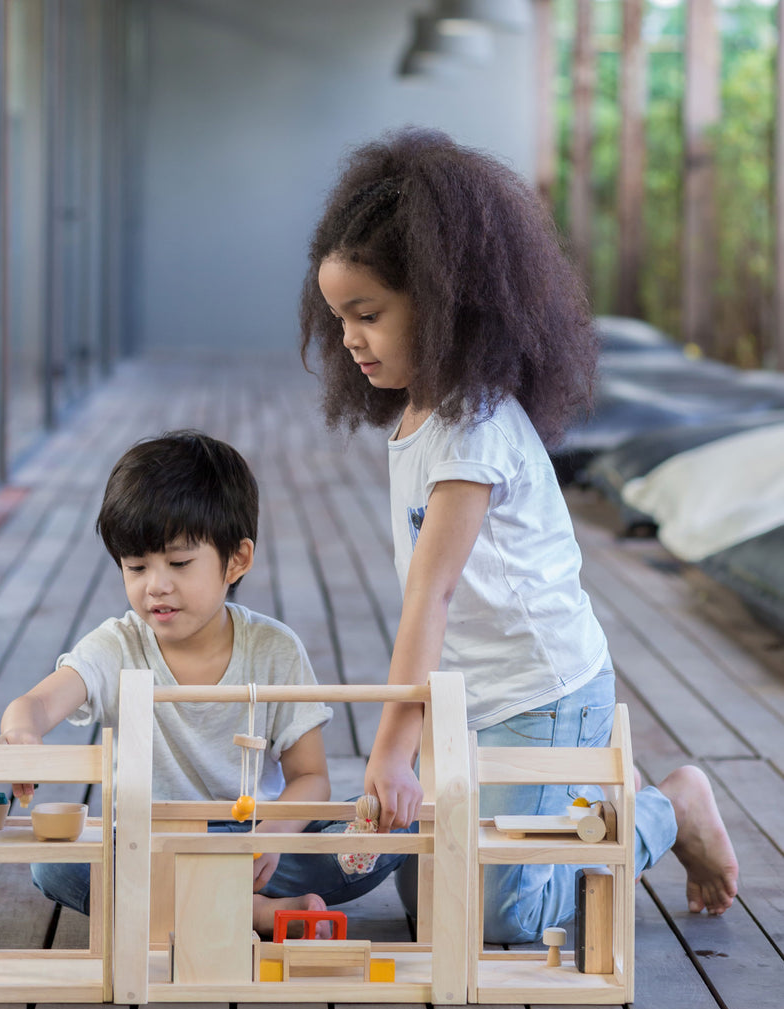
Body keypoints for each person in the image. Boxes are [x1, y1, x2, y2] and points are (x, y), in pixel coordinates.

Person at [299, 127, 739, 943]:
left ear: (442, 304)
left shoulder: (473, 429)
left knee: (503, 920)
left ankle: (665, 807)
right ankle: (579, 812)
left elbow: (431, 593)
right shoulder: (419, 412)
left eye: (368, 315)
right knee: (432, 903)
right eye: (339, 317)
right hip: (472, 698)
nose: (351, 337)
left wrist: (391, 752)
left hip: (541, 695)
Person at [0, 430, 403, 937]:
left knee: (382, 830)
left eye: (179, 563)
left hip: (256, 840)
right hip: (151, 842)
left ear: (237, 560)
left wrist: (269, 837)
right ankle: (254, 913)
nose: (156, 585)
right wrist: (22, 733)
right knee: (54, 866)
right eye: (137, 566)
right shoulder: (117, 645)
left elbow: (310, 777)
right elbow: (37, 702)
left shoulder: (274, 649)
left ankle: (197, 906)